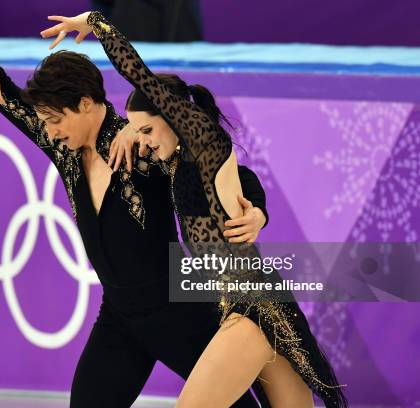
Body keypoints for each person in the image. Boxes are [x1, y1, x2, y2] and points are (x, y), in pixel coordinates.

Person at [40, 10, 348, 408]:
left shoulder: (205, 143)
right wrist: (134, 129)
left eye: (149, 131)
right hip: (242, 304)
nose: (144, 142)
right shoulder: (174, 162)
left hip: (252, 305)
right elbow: (236, 177)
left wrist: (98, 25)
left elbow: (139, 76)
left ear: (174, 117)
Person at [0, 40, 270, 407]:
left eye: (55, 120)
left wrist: (256, 210)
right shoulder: (62, 147)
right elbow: (1, 90)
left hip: (178, 312)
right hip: (119, 318)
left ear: (86, 103)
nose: (50, 132)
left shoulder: (138, 142)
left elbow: (224, 171)